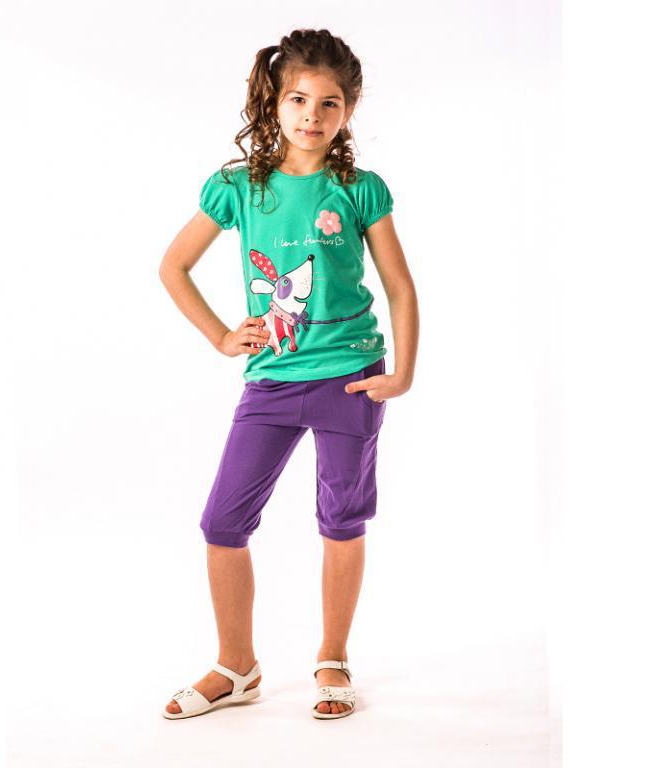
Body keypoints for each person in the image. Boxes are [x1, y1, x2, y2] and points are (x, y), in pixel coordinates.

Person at [158, 28, 418, 720]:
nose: (312, 115)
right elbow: (173, 266)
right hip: (271, 382)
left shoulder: (360, 189)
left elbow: (399, 287)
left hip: (350, 379)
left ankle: (332, 657)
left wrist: (402, 373)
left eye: (330, 103)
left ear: (349, 110)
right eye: (299, 99)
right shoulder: (238, 188)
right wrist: (222, 335)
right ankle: (236, 666)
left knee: (341, 518)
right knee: (223, 521)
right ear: (274, 102)